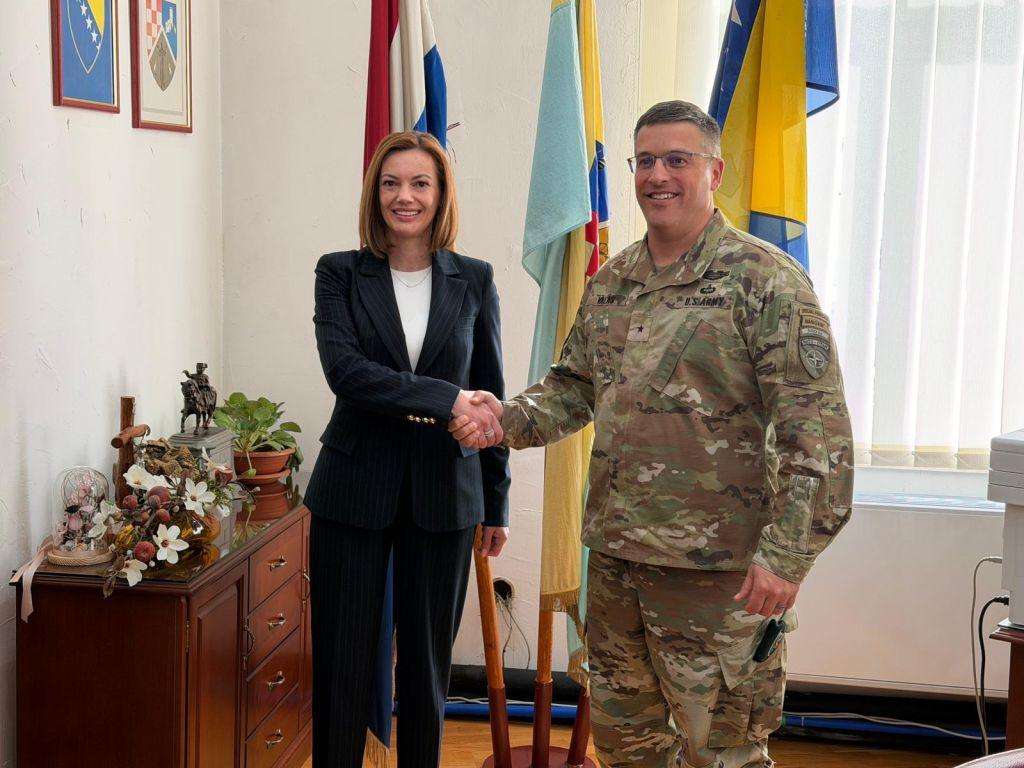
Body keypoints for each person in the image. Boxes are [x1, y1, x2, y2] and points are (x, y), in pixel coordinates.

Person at [452, 101, 854, 767]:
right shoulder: (615, 280)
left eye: (677, 160)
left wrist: (788, 557)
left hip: (718, 576)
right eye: (645, 161)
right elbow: (574, 388)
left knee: (721, 752)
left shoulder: (765, 282)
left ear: (713, 171)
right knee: (627, 745)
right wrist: (502, 419)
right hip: (617, 564)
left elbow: (819, 439)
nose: (657, 176)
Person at [305, 130, 511, 768]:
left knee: (427, 668)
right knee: (342, 664)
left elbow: (491, 395)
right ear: (374, 193)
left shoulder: (474, 279)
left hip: (446, 492)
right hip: (352, 490)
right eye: (391, 183)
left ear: (441, 193)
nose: (405, 196)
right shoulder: (339, 273)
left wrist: (496, 501)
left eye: (421, 183)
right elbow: (347, 373)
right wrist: (447, 400)